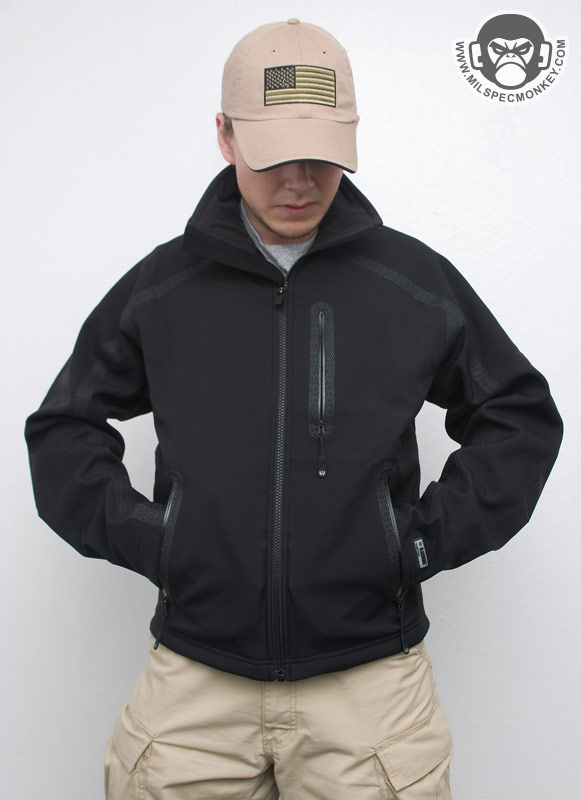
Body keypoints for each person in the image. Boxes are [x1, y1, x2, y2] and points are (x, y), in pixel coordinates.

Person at [24, 19, 563, 800]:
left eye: (321, 155)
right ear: (224, 135)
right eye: (274, 156)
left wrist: (412, 543)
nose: (300, 182)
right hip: (195, 683)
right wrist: (157, 541)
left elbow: (518, 416)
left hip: (371, 689)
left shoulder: (411, 283)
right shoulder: (164, 289)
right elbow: (63, 428)